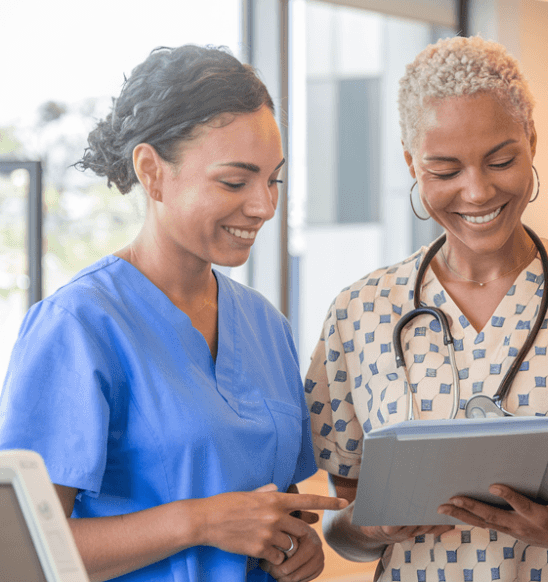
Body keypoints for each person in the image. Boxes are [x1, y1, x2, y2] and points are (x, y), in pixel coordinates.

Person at [304, 35, 548, 582]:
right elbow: (342, 520)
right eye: (444, 170)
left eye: (501, 160)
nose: (478, 191)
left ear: (532, 140)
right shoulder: (358, 312)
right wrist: (373, 529)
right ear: (412, 163)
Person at [0, 45, 346, 582]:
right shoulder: (79, 326)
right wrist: (199, 522)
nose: (264, 206)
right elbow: (17, 550)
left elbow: (276, 495)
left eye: (273, 180)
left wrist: (297, 542)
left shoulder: (264, 325)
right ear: (152, 171)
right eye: (235, 181)